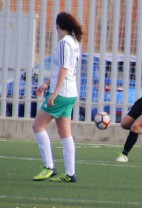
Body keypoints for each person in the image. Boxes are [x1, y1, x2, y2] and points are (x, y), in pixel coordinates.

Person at [32, 12, 83, 183]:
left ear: (57, 26)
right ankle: (70, 173)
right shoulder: (74, 42)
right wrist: (47, 83)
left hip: (61, 93)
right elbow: (63, 67)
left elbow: (63, 69)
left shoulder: (63, 43)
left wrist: (54, 92)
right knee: (64, 132)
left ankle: (49, 167)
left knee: (38, 125)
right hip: (71, 93)